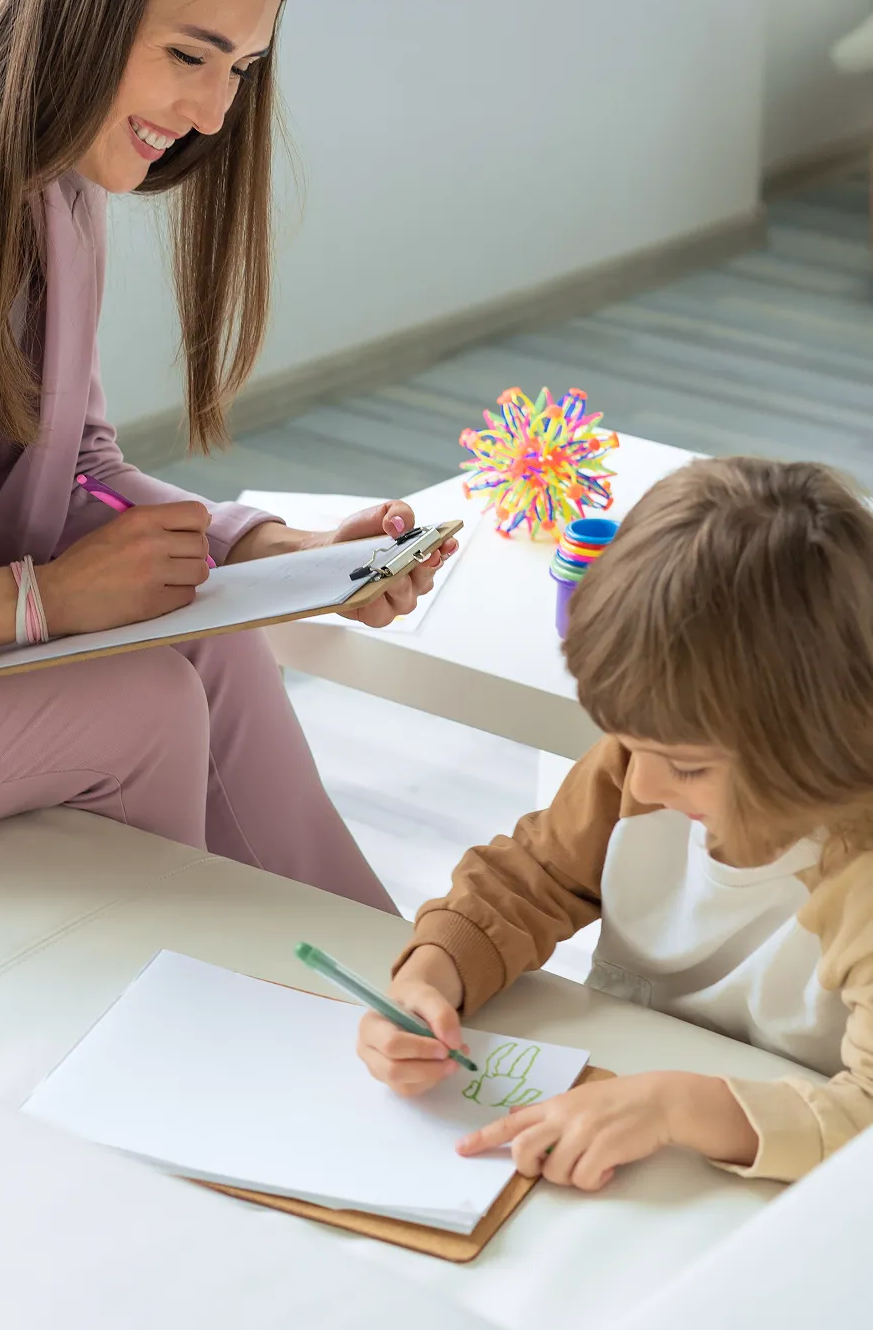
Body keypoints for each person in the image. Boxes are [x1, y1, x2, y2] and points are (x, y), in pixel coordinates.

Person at [0, 0, 454, 897]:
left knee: (209, 639)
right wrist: (37, 605)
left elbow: (71, 467)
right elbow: (44, 565)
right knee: (136, 708)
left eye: (240, 69)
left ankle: (396, 994)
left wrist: (255, 551)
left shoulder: (53, 195)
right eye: (193, 54)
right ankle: (193, 1040)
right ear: (76, 2)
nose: (217, 113)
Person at [358, 456, 873, 1185]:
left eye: (687, 765)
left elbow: (862, 1118)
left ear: (813, 744)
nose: (646, 781)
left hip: (779, 1187)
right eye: (630, 744)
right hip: (619, 1113)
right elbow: (527, 878)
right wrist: (432, 979)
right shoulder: (640, 764)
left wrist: (678, 1105)